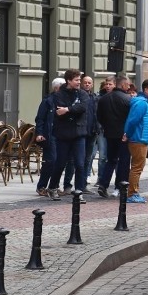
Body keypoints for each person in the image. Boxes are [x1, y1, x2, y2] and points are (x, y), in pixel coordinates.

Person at [48, 69, 90, 200]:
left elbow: (82, 107)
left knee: (80, 163)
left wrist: (68, 109)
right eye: (76, 80)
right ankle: (52, 187)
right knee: (60, 163)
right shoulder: (59, 94)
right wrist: (70, 109)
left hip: (79, 134)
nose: (79, 82)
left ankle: (78, 192)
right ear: (69, 81)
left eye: (79, 80)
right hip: (63, 134)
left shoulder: (83, 94)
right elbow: (59, 110)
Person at [95, 74, 132, 198]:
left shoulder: (103, 99)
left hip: (109, 133)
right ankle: (121, 186)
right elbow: (130, 118)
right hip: (124, 135)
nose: (129, 86)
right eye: (127, 84)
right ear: (122, 85)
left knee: (110, 160)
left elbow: (99, 116)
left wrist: (107, 127)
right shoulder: (128, 99)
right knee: (124, 161)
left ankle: (103, 184)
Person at [34, 77, 66, 197]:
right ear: (56, 88)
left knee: (60, 162)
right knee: (51, 161)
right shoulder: (48, 101)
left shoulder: (66, 100)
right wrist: (39, 133)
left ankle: (54, 186)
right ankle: (41, 186)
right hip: (50, 134)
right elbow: (40, 119)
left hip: (63, 135)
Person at [124, 78, 148, 203]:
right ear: (146, 89)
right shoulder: (141, 103)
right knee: (137, 167)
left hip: (140, 137)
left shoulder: (143, 101)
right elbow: (133, 120)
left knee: (137, 166)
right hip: (139, 138)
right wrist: (127, 134)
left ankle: (133, 192)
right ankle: (132, 193)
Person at [95, 76, 115, 178]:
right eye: (106, 84)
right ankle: (101, 177)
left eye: (110, 84)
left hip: (114, 130)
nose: (107, 86)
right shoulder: (100, 98)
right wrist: (99, 126)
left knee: (113, 156)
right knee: (102, 156)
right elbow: (97, 114)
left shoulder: (117, 96)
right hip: (102, 130)